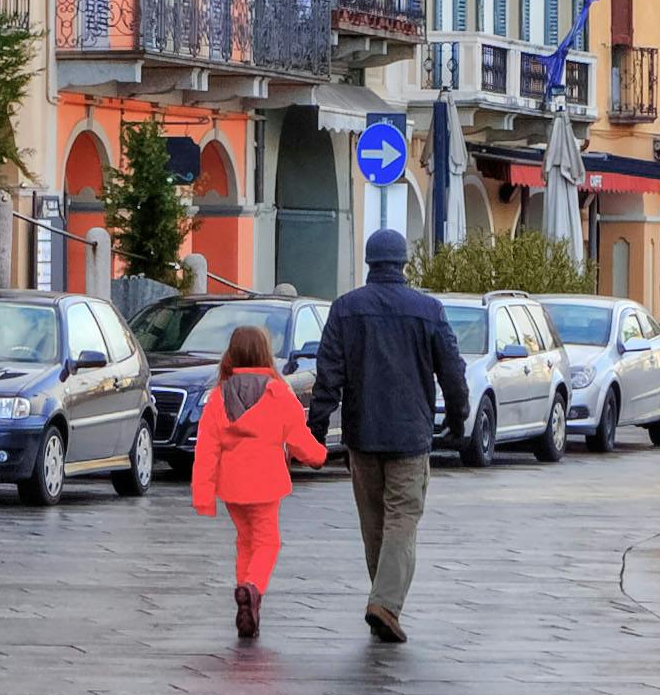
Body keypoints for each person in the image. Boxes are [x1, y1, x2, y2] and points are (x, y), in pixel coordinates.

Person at [306, 226, 472, 640]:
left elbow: (328, 375)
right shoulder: (427, 310)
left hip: (362, 435)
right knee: (403, 519)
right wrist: (458, 416)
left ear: (369, 262)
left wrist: (317, 428)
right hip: (411, 435)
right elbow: (452, 372)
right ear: (403, 263)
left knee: (374, 523)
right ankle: (385, 603)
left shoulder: (345, 309)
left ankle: (383, 601)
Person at [190, 322, 326, 641]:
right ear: (265, 353)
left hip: (233, 483)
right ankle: (252, 589)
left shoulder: (219, 396)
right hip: (266, 480)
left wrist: (203, 495)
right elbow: (298, 438)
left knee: (245, 539)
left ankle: (246, 599)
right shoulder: (278, 392)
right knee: (268, 540)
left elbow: (206, 448)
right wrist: (319, 457)